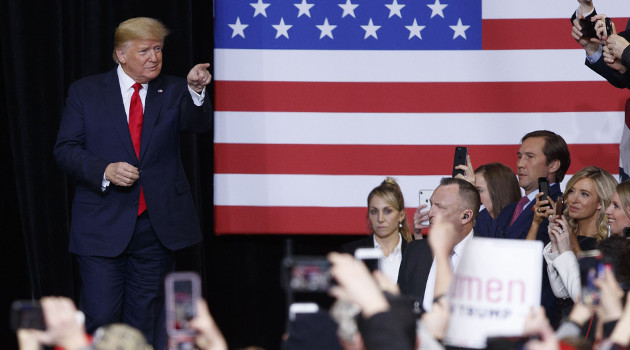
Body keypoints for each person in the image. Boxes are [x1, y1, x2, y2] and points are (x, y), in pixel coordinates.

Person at [53, 17, 213, 348]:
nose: (154, 57)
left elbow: (198, 124)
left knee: (147, 319)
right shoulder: (85, 92)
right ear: (121, 55)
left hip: (155, 227)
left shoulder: (172, 90)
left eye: (158, 49)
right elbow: (65, 150)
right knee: (101, 317)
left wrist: (196, 90)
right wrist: (104, 169)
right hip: (102, 224)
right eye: (144, 50)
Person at [535, 167, 617, 321]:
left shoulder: (606, 245)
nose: (574, 199)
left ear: (601, 202)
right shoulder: (561, 236)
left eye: (584, 194)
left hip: (587, 327)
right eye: (571, 191)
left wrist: (571, 242)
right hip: (555, 320)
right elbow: (558, 289)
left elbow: (590, 293)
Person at [397, 177, 480, 313]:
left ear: (466, 216)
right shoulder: (414, 252)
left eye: (440, 207)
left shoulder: (488, 256)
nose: (430, 213)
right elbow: (400, 309)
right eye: (431, 205)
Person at [341, 177, 412, 284]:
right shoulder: (350, 254)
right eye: (374, 212)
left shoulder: (415, 255)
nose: (380, 219)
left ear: (401, 215)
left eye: (387, 211)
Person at [452, 159, 521, 220]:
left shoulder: (519, 224)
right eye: (473, 190)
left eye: (479, 190)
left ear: (500, 192)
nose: (473, 195)